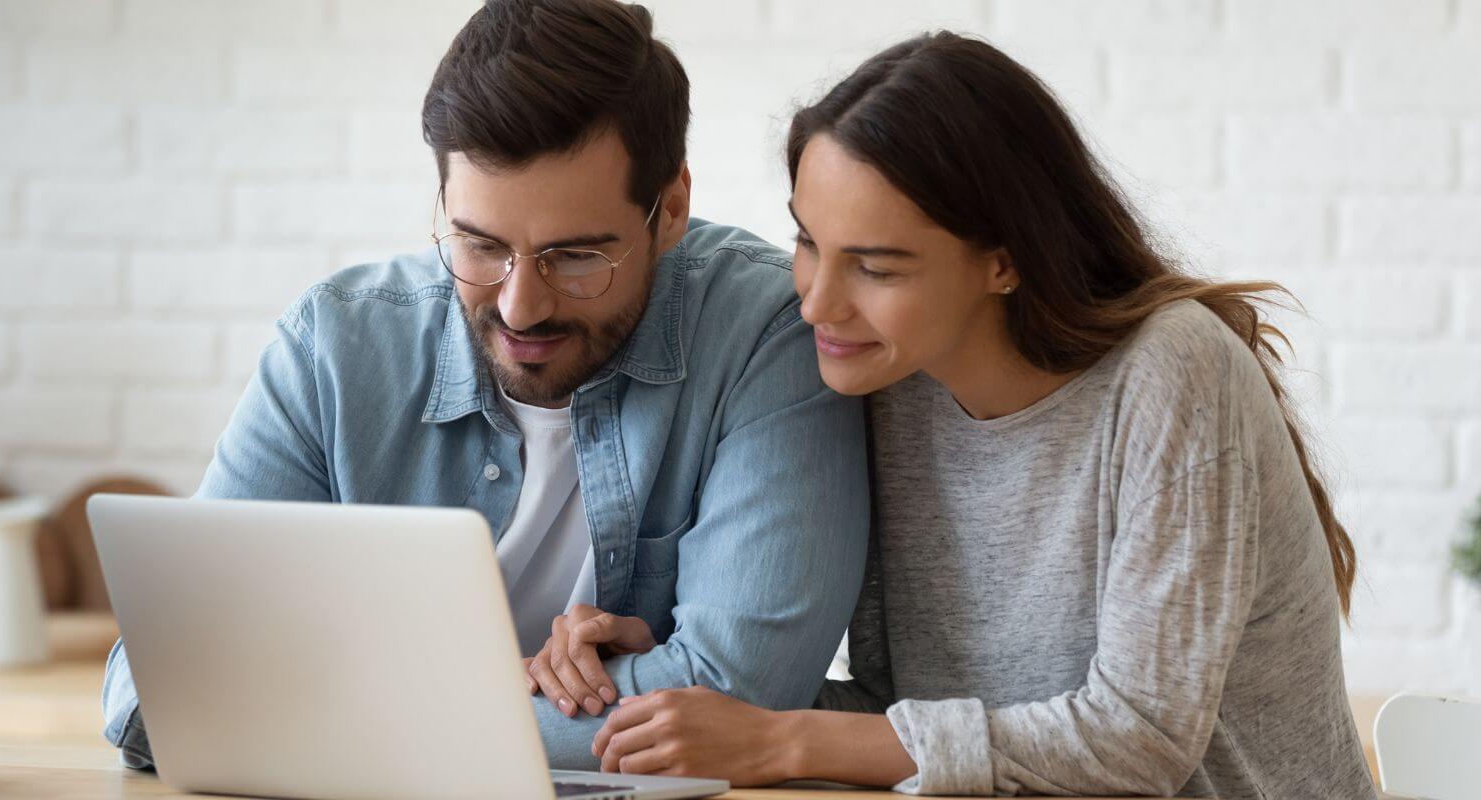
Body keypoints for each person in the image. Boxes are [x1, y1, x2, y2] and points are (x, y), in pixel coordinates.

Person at [583, 32, 1376, 797]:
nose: (816, 300)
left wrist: (785, 739)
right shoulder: (891, 387)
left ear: (1003, 260)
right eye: (809, 242)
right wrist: (688, 698)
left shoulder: (1173, 371)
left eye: (876, 266)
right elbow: (917, 727)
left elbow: (1140, 739)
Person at [100, 0, 871, 770]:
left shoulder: (767, 335)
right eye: (479, 244)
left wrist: (336, 710)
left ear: (668, 210)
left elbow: (741, 695)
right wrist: (485, 698)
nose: (520, 305)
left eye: (575, 257)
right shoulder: (333, 349)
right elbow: (154, 692)